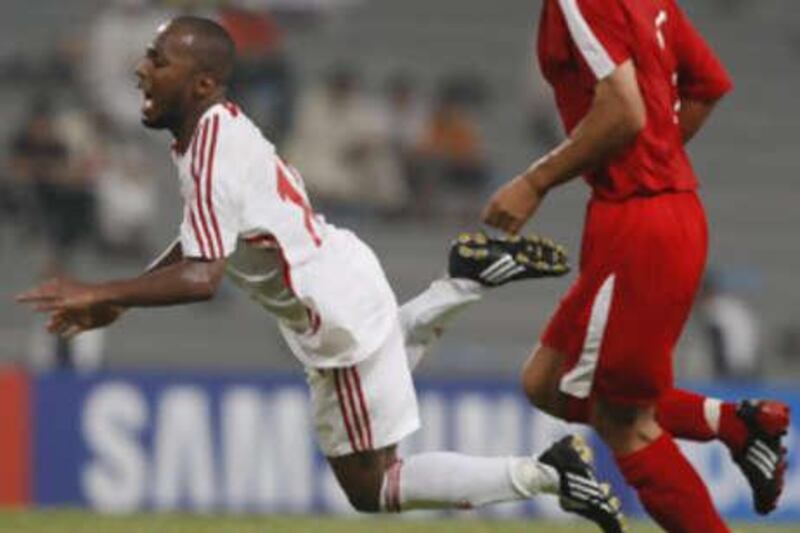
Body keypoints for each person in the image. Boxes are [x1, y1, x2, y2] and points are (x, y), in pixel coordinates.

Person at [17, 17, 624, 531]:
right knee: (378, 395)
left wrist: (102, 290)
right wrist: (120, 301)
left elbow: (203, 276)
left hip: (330, 316)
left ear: (202, 82)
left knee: (372, 486)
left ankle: (548, 471)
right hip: (341, 270)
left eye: (157, 59)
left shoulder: (208, 148)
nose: (142, 68)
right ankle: (464, 281)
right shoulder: (212, 131)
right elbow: (200, 238)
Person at [478, 1, 789, 531]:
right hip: (659, 209)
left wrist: (534, 182)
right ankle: (736, 425)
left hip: (640, 224)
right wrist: (653, 159)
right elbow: (706, 85)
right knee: (547, 382)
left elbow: (624, 110)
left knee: (624, 422)